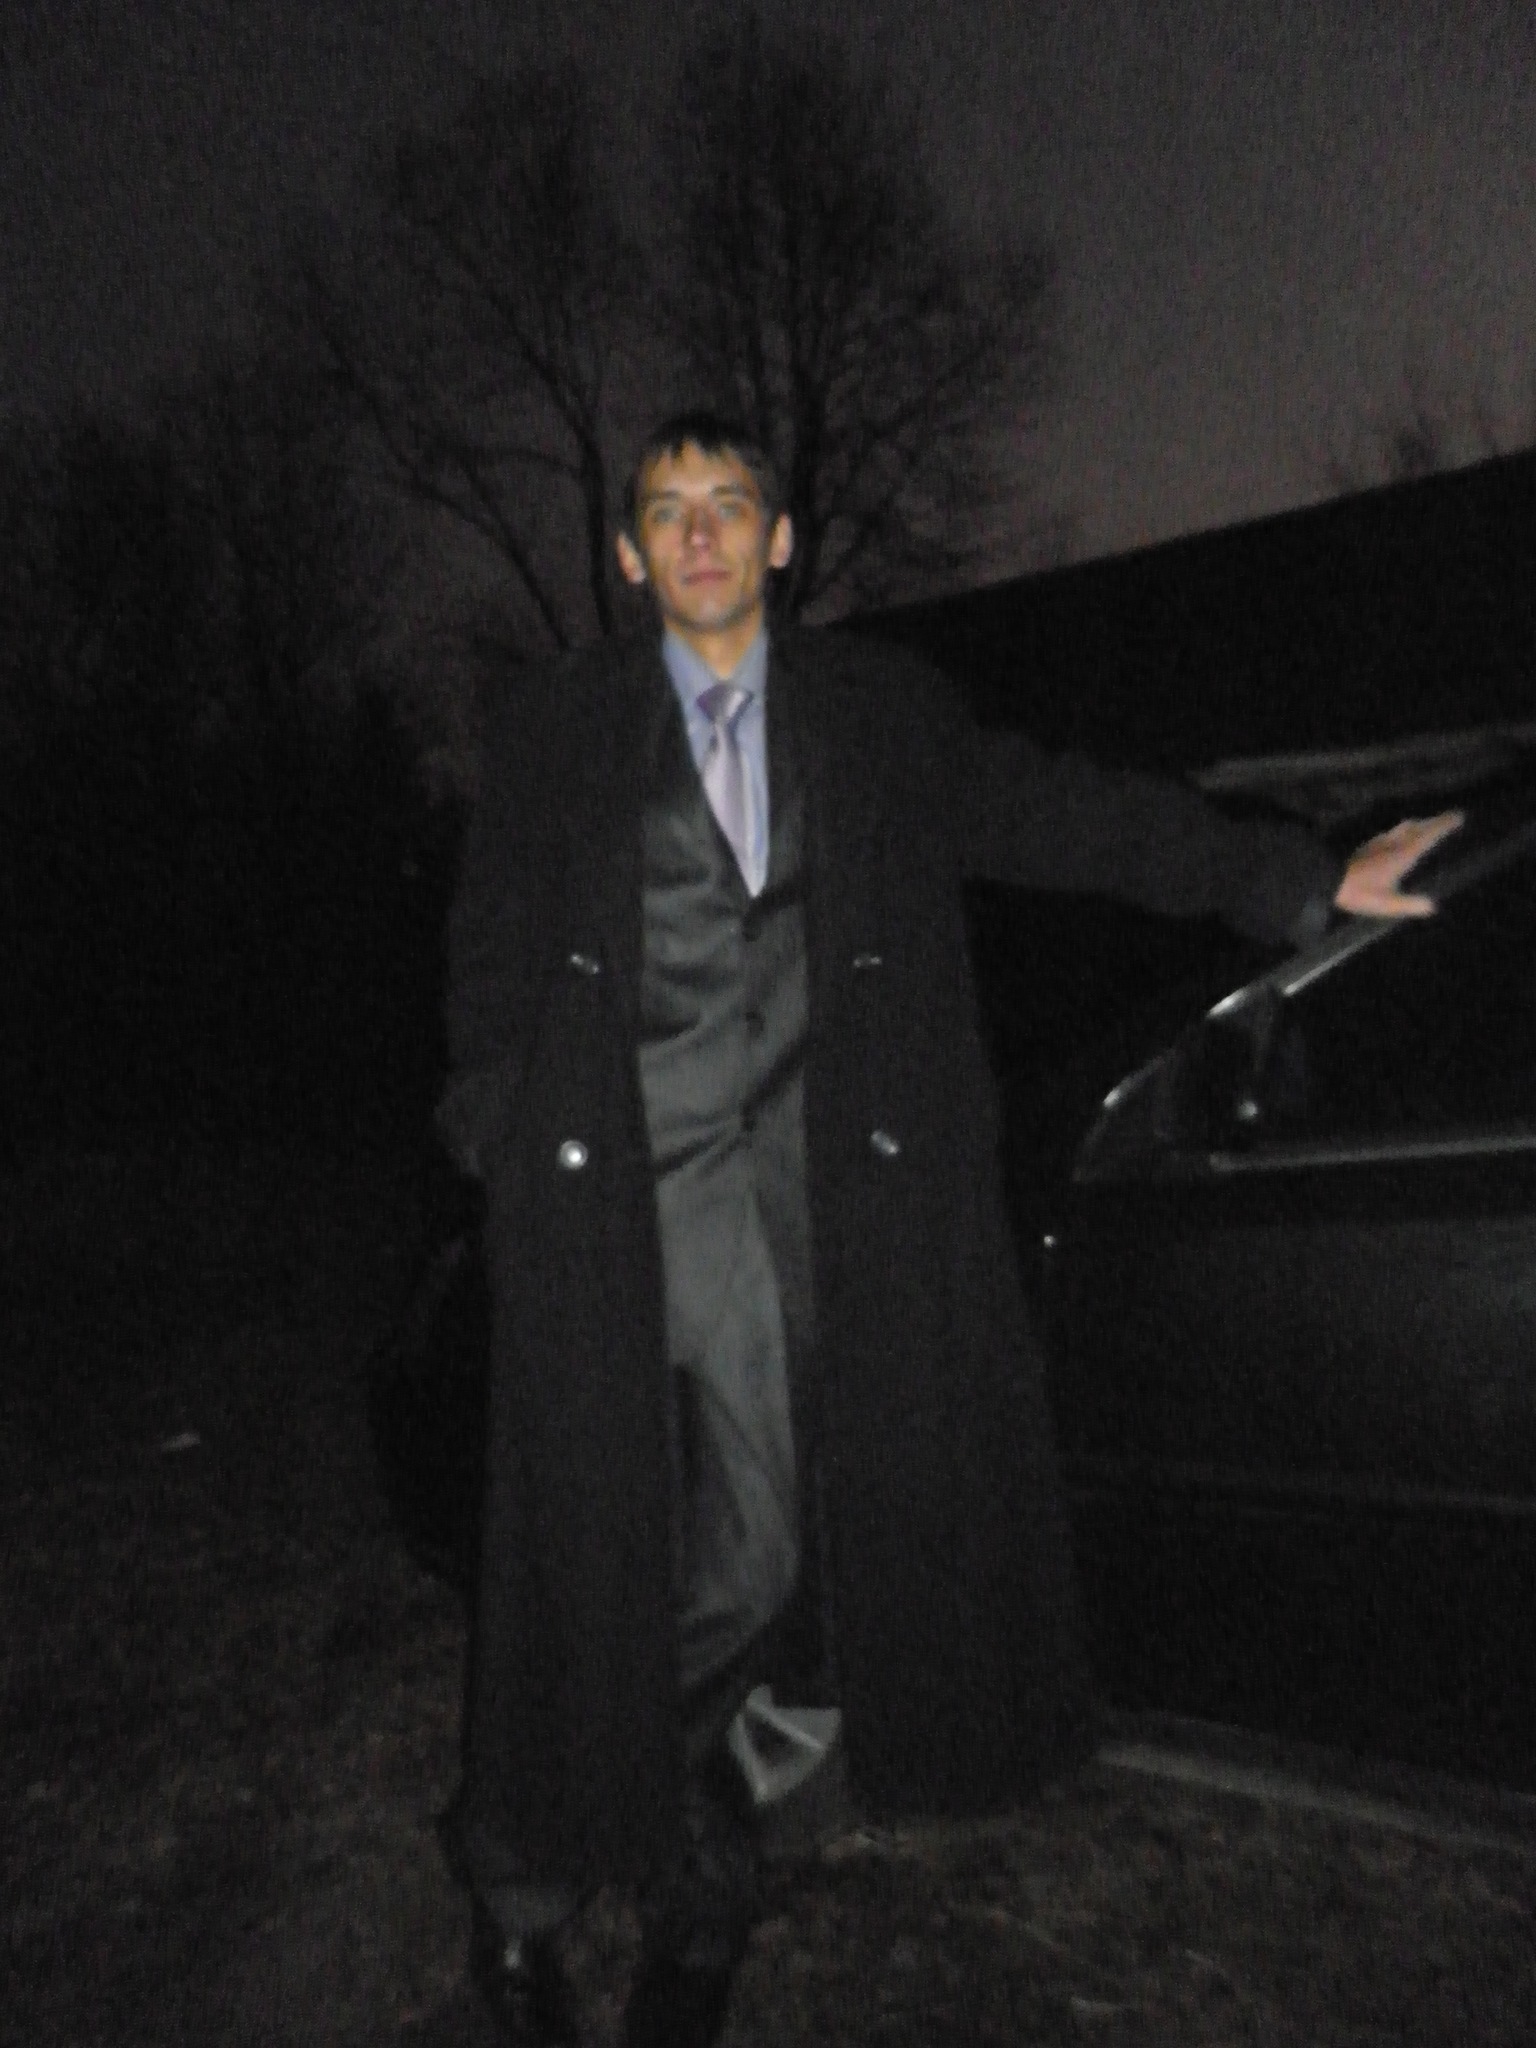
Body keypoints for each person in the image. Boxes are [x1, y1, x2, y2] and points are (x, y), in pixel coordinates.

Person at [433, 411, 1458, 2047]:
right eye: (667, 511)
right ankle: (530, 1865)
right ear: (627, 555)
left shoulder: (879, 710)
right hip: (621, 1200)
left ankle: (691, 1874)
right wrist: (493, 1129)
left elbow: (1061, 813)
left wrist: (1297, 881)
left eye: (729, 504)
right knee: (695, 1550)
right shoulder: (557, 730)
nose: (700, 534)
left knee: (796, 1568)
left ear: (780, 540)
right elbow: (491, 948)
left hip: (834, 1197)